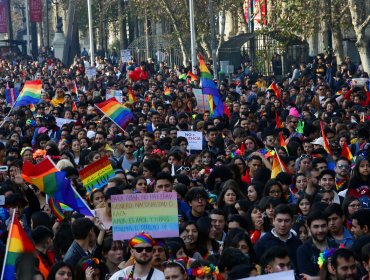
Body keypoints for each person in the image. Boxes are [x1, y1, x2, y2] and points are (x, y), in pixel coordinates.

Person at [254, 204, 301, 269]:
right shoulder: (262, 243)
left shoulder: (297, 243)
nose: (283, 224)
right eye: (279, 220)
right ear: (273, 220)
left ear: (292, 222)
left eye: (287, 221)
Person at [297, 211, 338, 277]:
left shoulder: (335, 247)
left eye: (323, 226)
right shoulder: (303, 250)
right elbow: (305, 278)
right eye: (316, 227)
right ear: (309, 228)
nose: (320, 230)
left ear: (327, 226)